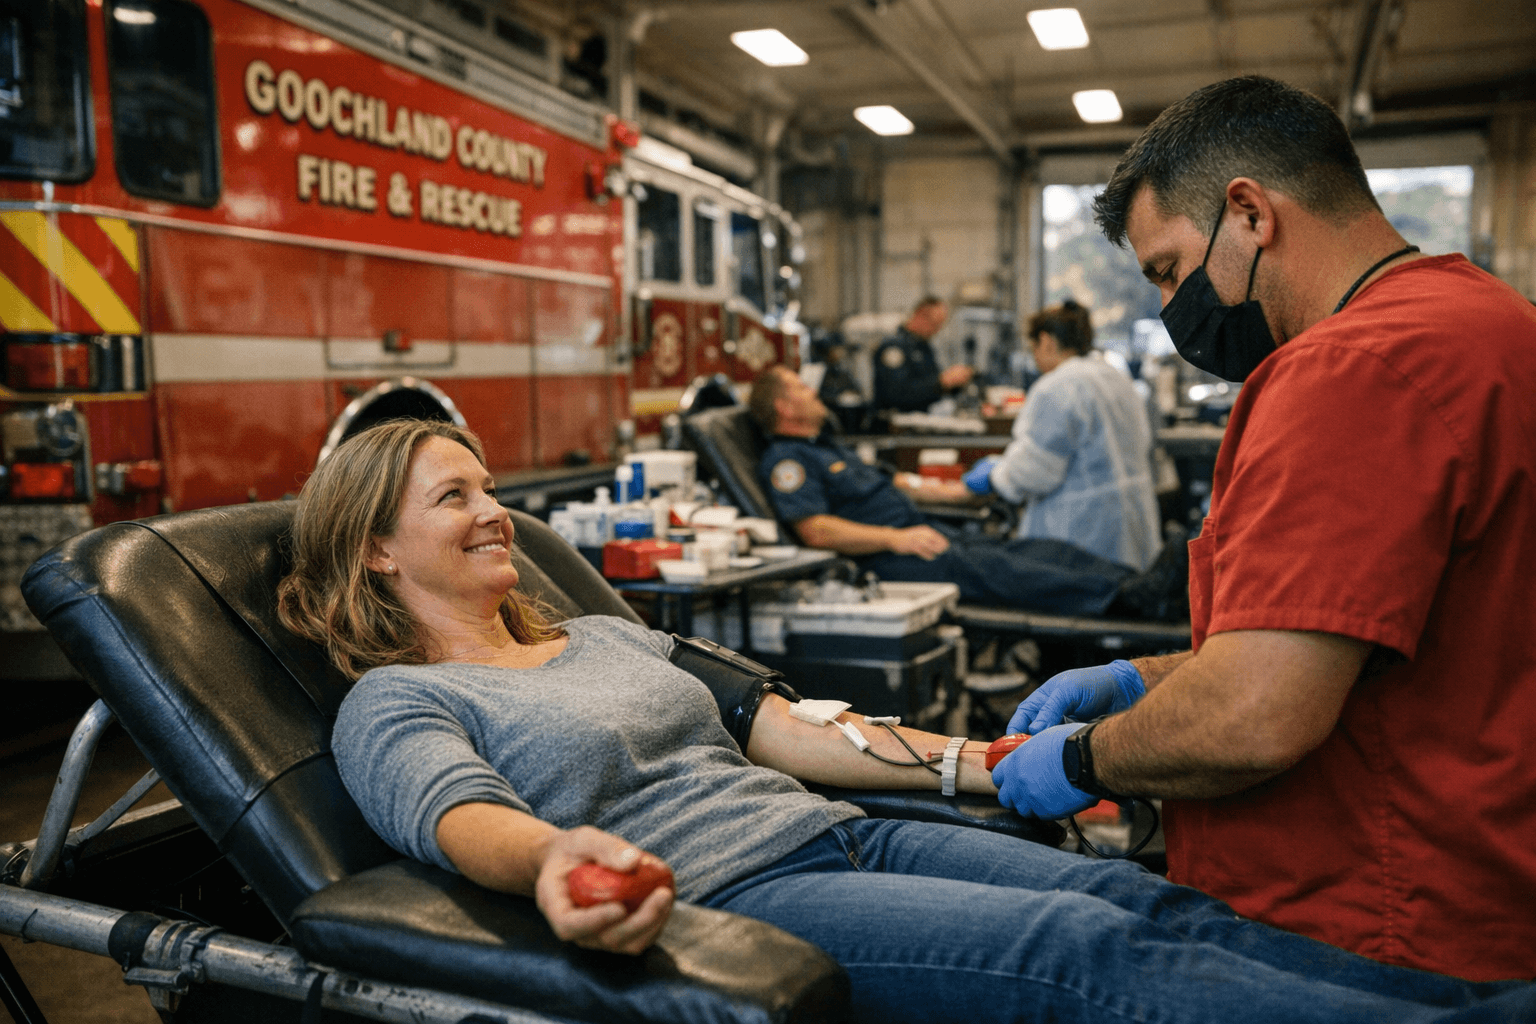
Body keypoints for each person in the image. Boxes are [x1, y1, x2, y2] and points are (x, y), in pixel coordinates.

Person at [276, 418, 1534, 1024]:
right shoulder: (401, 698)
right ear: (377, 550)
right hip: (742, 890)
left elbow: (781, 726)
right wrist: (556, 856)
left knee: (1138, 901)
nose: (497, 509)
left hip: (846, 827)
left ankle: (1470, 1004)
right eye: (457, 496)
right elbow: (460, 819)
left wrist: (997, 764)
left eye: (494, 487)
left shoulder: (600, 632)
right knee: (1074, 953)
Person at [991, 75, 1536, 982]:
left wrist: (1090, 757)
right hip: (1486, 895)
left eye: (1169, 270)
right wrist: (1145, 680)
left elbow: (1255, 715)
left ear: (1249, 213)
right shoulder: (1494, 324)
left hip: (1367, 928)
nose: (1173, 310)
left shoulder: (1348, 369)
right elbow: (1375, 641)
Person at [750, 365, 1185, 620]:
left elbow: (897, 483)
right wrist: (896, 539)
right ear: (784, 408)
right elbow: (815, 531)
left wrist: (960, 492)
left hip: (919, 533)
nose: (813, 391)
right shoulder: (787, 461)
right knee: (997, 568)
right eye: (801, 388)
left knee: (1035, 550)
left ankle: (1135, 583)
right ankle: (1128, 603)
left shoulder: (825, 448)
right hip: (887, 558)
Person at [965, 299, 1163, 572]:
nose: (1035, 357)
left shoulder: (1056, 388)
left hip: (1080, 535)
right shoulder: (1116, 378)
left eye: (1034, 347)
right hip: (1133, 526)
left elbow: (1035, 472)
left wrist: (995, 475)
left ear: (1046, 341)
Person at [871, 296, 973, 413]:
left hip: (920, 419)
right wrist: (941, 382)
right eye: (935, 324)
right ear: (920, 315)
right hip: (893, 425)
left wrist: (954, 384)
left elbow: (932, 388)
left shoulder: (924, 348)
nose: (937, 330)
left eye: (940, 325)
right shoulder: (893, 348)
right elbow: (897, 395)